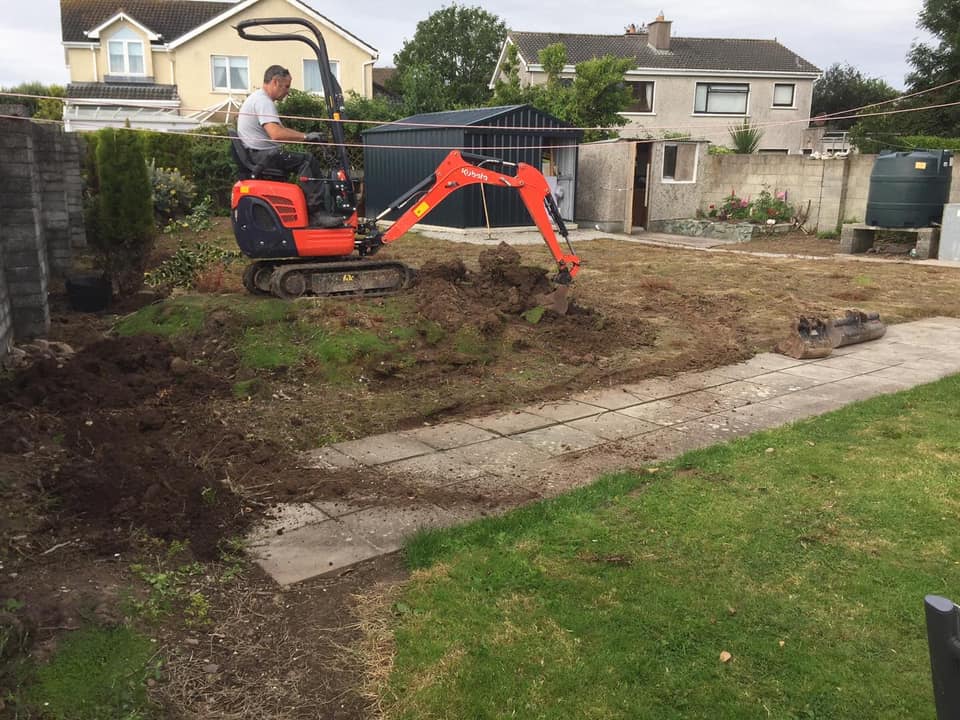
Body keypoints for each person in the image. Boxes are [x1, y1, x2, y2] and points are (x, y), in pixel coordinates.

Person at [238, 65, 338, 226]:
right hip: (262, 155)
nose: (288, 91)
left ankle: (312, 211)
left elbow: (280, 130)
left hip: (258, 154)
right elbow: (276, 134)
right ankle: (318, 213)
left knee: (302, 158)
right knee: (307, 161)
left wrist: (306, 137)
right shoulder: (263, 101)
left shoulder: (258, 98)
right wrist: (306, 137)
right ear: (276, 82)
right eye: (286, 86)